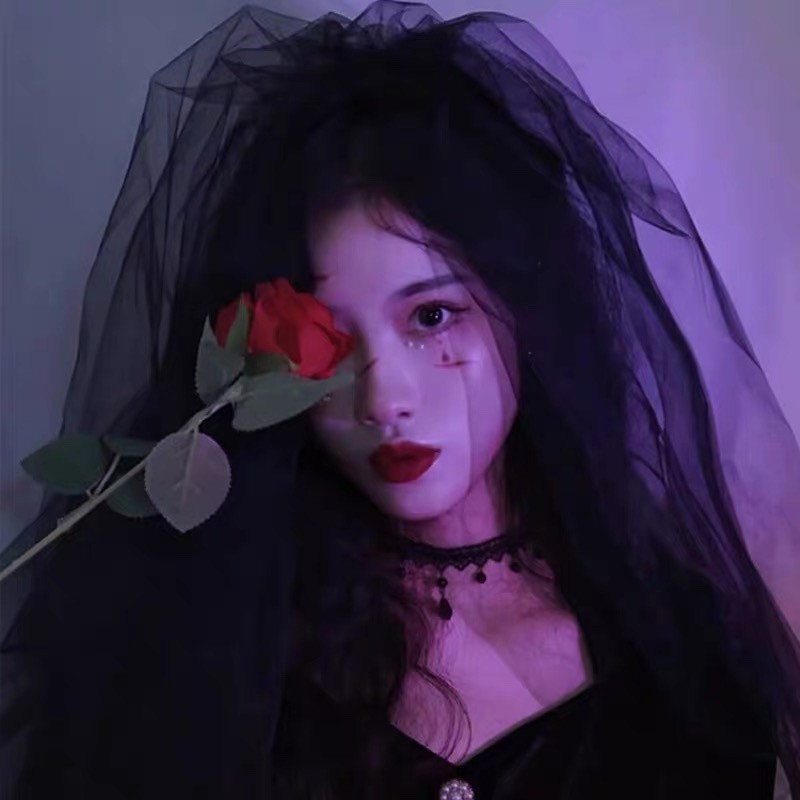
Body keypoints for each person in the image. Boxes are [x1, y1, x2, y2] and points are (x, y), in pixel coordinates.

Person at [1, 2, 799, 798]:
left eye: (432, 317)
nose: (383, 398)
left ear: (527, 306)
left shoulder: (676, 636)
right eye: (328, 340)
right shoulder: (215, 643)